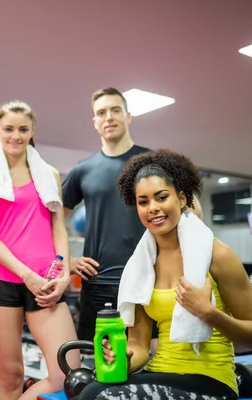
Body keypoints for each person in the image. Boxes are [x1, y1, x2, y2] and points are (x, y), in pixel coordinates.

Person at [79, 149, 252, 400]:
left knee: (98, 397)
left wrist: (208, 313)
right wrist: (123, 358)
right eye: (143, 202)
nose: (153, 208)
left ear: (181, 198)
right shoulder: (140, 265)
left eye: (161, 197)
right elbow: (140, 348)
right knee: (90, 389)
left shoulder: (217, 255)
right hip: (160, 371)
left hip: (211, 380)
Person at [0, 100, 80, 400]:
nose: (15, 136)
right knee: (11, 377)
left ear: (32, 130)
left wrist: (63, 271)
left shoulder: (49, 174)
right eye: (8, 129)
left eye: (23, 129)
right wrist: (25, 275)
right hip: (0, 282)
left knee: (68, 376)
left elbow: (59, 228)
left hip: (46, 281)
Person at [62, 87, 153, 342]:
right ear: (94, 121)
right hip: (98, 283)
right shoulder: (83, 169)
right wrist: (67, 260)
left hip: (147, 279)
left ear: (128, 116)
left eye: (115, 110)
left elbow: (187, 209)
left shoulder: (150, 162)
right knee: (103, 365)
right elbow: (52, 218)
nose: (109, 117)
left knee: (151, 363)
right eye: (101, 112)